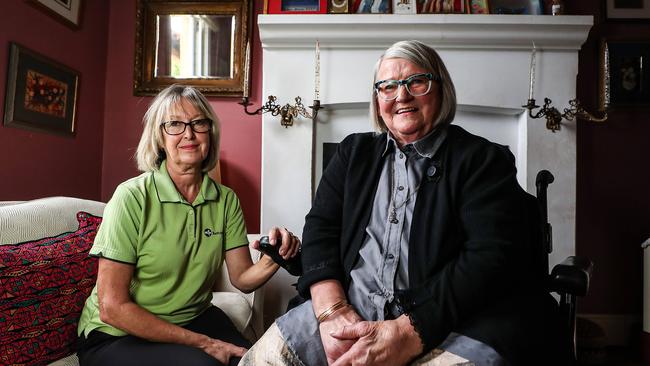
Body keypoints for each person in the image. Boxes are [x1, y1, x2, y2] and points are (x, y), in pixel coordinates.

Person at [240, 40, 558, 366]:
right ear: (377, 100)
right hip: (348, 307)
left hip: (450, 320)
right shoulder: (353, 154)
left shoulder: (481, 159)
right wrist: (331, 310)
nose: (401, 95)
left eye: (416, 82)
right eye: (387, 86)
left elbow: (487, 261)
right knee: (262, 360)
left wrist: (408, 333)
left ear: (440, 89)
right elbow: (321, 228)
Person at [76, 84, 301, 366]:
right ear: (159, 137)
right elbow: (112, 308)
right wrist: (204, 343)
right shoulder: (131, 197)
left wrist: (275, 256)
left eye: (198, 123)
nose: (189, 134)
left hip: (193, 317)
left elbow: (242, 279)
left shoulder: (225, 199)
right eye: (175, 124)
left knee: (258, 362)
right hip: (118, 333)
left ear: (211, 132)